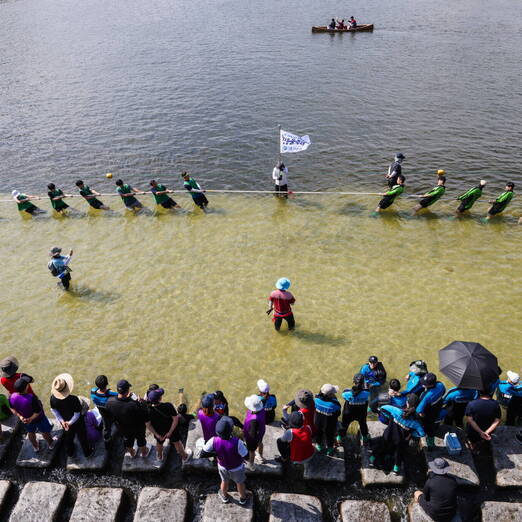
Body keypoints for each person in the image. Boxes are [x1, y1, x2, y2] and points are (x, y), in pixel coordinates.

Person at [201, 416, 249, 505]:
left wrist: (216, 453)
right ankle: (243, 498)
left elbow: (203, 454)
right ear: (231, 430)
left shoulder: (213, 441)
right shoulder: (237, 442)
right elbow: (246, 456)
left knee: (224, 481)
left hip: (222, 467)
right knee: (240, 483)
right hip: (237, 468)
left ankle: (225, 497)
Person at [372, 394, 425, 475]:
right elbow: (422, 434)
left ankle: (373, 458)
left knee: (382, 447)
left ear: (407, 403)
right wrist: (411, 433)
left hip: (388, 434)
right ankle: (396, 470)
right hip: (400, 441)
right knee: (398, 454)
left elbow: (383, 408)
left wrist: (389, 419)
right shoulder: (415, 422)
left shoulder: (396, 410)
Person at [50, 373, 94, 458]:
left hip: (64, 421)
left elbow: (54, 410)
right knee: (82, 436)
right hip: (76, 422)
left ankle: (70, 453)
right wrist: (69, 422)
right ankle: (87, 452)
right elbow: (77, 414)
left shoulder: (53, 398)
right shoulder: (73, 399)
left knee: (69, 437)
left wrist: (62, 421)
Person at [104, 379, 150, 458]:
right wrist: (142, 403)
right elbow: (145, 416)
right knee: (141, 439)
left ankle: (132, 454)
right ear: (128, 390)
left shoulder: (109, 402)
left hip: (123, 428)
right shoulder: (134, 404)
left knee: (128, 441)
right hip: (137, 427)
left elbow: (109, 416)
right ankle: (144, 453)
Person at [9, 376, 56, 452]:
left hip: (25, 420)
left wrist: (20, 417)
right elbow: (37, 412)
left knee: (31, 432)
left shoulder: (11, 397)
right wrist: (30, 419)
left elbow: (12, 408)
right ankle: (51, 444)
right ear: (26, 387)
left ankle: (36, 447)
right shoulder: (32, 397)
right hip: (39, 419)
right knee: (45, 432)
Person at [146, 386, 192, 462]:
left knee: (159, 443)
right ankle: (184, 457)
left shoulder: (148, 410)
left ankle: (159, 457)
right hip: (171, 430)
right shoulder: (168, 406)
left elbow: (148, 425)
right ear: (160, 398)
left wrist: (157, 434)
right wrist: (170, 432)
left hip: (158, 432)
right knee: (177, 443)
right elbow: (175, 419)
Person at [337, 373, 370, 445]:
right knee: (363, 425)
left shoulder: (346, 393)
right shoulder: (367, 393)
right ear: (363, 383)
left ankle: (339, 438)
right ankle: (365, 438)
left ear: (353, 381)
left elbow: (344, 394)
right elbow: (366, 392)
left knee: (344, 425)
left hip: (348, 413)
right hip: (361, 414)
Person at [416, 373, 446, 449]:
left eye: (424, 383)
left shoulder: (427, 396)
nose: (422, 383)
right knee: (434, 425)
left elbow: (419, 410)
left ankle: (430, 445)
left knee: (429, 431)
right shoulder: (440, 385)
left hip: (429, 415)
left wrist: (422, 416)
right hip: (438, 409)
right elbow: (443, 392)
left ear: (430, 385)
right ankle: (434, 431)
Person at [314, 384, 341, 455]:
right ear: (330, 395)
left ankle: (318, 445)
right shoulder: (334, 404)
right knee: (329, 436)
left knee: (319, 433)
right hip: (329, 424)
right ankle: (330, 448)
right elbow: (338, 413)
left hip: (318, 422)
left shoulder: (316, 400)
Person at [90, 375, 118, 444]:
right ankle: (111, 438)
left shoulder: (93, 391)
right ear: (107, 383)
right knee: (113, 423)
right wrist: (110, 391)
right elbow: (119, 396)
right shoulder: (111, 394)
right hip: (111, 412)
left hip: (101, 411)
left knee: (105, 423)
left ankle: (106, 439)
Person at [243, 394, 266, 470]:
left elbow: (252, 434)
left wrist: (250, 443)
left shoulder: (254, 420)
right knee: (260, 442)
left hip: (252, 436)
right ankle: (260, 457)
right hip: (260, 432)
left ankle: (251, 465)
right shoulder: (261, 409)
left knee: (251, 451)